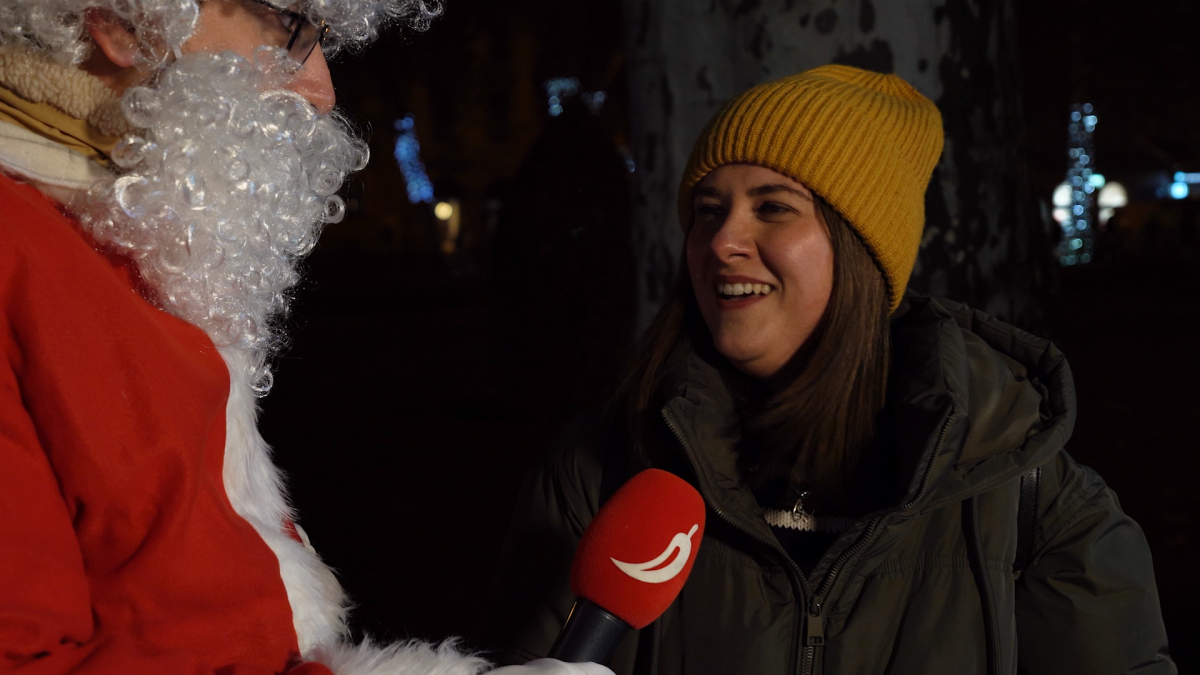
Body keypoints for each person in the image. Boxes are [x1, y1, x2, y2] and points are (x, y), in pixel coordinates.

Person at [483, 65, 1177, 674]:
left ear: (862, 252)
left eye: (773, 208)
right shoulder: (599, 472)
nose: (723, 240)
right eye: (707, 210)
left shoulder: (1023, 491)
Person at [0, 2, 610, 674]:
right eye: (289, 27)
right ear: (124, 21)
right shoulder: (23, 256)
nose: (322, 90)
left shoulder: (131, 233)